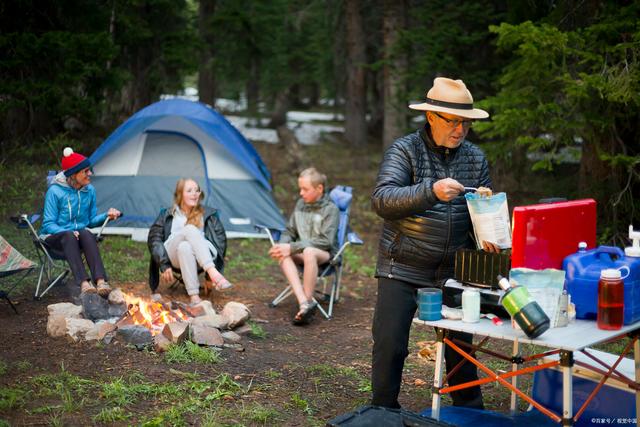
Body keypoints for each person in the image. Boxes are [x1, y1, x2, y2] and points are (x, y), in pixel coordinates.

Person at [370, 77, 500, 409]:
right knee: (391, 344)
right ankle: (384, 409)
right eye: (453, 121)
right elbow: (383, 199)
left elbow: (481, 211)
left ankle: (470, 410)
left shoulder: (475, 158)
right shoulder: (405, 150)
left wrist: (490, 237)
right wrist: (431, 191)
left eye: (466, 123)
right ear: (431, 117)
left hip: (452, 271)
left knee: (460, 346)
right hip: (403, 265)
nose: (460, 130)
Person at [40, 147, 121, 297]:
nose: (90, 174)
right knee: (70, 236)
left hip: (79, 238)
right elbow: (48, 224)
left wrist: (106, 216)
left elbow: (90, 221)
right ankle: (84, 283)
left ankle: (100, 281)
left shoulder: (89, 190)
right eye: (85, 171)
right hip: (55, 238)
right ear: (74, 174)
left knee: (86, 232)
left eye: (89, 170)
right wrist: (68, 231)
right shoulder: (55, 191)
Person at [268, 167, 340, 325]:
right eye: (300, 188)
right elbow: (289, 230)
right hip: (303, 251)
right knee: (283, 253)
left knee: (308, 251)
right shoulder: (301, 204)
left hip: (325, 255)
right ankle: (304, 304)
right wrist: (283, 245)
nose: (301, 193)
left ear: (319, 188)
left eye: (305, 189)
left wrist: (292, 247)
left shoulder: (331, 209)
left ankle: (307, 301)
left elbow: (326, 241)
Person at [148, 178, 230, 305]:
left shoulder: (208, 214)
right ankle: (214, 273)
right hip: (172, 254)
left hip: (200, 256)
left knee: (185, 247)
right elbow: (154, 239)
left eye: (197, 190)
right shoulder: (168, 213)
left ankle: (194, 297)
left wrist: (207, 278)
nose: (194, 194)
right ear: (180, 194)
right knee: (189, 229)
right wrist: (163, 263)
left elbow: (220, 242)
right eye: (190, 191)